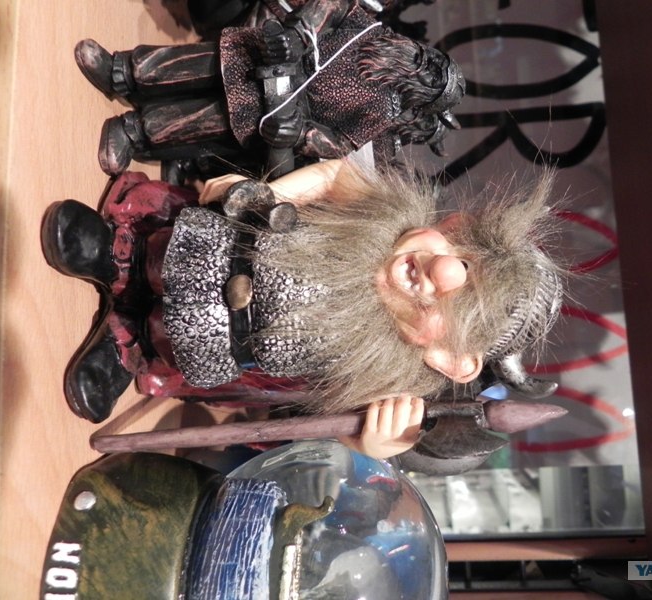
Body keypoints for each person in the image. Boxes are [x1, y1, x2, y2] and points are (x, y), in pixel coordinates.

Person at [42, 159, 562, 458]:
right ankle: (115, 253)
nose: (440, 273)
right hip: (217, 249)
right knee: (159, 257)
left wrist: (375, 444)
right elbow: (336, 174)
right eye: (462, 260)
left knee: (162, 336)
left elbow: (339, 422)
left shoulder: (382, 369)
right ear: (453, 227)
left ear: (450, 359)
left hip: (214, 340)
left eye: (458, 305)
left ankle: (123, 345)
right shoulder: (384, 217)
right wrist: (269, 193)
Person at [74, 0, 465, 177]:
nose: (426, 66)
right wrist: (299, 34)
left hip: (272, 107)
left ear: (425, 97)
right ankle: (120, 71)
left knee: (199, 121)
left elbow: (340, 142)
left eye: (433, 78)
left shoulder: (383, 111)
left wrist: (302, 134)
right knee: (190, 65)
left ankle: (132, 133)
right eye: (434, 61)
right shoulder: (374, 33)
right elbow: (333, 6)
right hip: (266, 53)